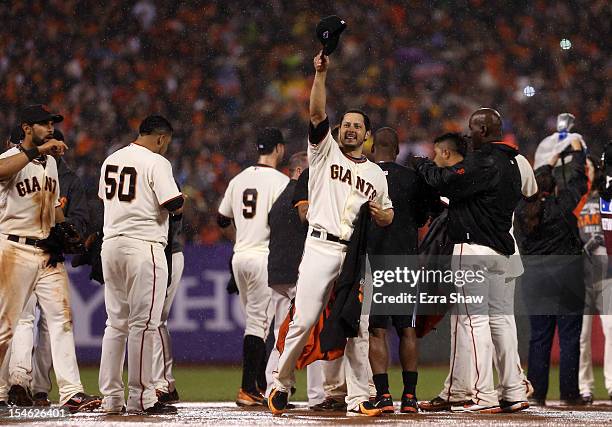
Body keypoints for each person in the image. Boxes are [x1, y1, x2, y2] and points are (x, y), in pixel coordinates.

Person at [268, 51, 393, 417]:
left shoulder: (376, 175)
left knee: (357, 325)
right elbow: (317, 113)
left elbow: (388, 214)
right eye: (346, 124)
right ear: (339, 131)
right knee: (304, 320)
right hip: (321, 247)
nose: (350, 128)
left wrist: (382, 215)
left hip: (353, 256)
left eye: (358, 125)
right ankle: (281, 383)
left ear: (368, 135)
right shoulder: (325, 155)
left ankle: (359, 397)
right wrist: (319, 75)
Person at [413, 109, 525, 413]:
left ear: (485, 129)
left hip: (473, 250)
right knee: (502, 321)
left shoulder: (483, 159)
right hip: (502, 251)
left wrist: (422, 164)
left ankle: (484, 395)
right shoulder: (514, 163)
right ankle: (513, 390)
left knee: (475, 323)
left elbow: (444, 179)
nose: (469, 134)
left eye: (474, 128)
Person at [0, 105, 100, 413]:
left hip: (47, 251)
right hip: (14, 248)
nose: (51, 127)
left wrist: (67, 232)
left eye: (53, 123)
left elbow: (55, 207)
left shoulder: (52, 165)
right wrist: (39, 150)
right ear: (27, 128)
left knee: (62, 321)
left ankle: (71, 393)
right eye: (44, 123)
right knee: (6, 327)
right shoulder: (10, 158)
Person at [98, 115, 183, 415]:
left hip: (111, 246)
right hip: (143, 246)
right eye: (166, 143)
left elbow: (106, 200)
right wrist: (183, 200)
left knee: (115, 324)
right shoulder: (156, 161)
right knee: (144, 325)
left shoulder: (112, 158)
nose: (165, 148)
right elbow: (173, 203)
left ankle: (111, 397)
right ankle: (143, 397)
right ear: (160, 138)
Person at [367, 127, 439, 414]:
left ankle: (384, 396)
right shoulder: (412, 178)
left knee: (376, 331)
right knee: (407, 330)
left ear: (373, 149)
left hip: (373, 263)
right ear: (397, 150)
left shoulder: (362, 176)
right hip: (405, 261)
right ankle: (409, 396)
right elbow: (428, 213)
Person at [217, 128, 289, 406]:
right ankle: (248, 388)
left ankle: (258, 385)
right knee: (259, 325)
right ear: (279, 149)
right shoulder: (280, 181)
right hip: (263, 257)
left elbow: (222, 219)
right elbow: (283, 223)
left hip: (240, 256)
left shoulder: (239, 179)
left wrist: (242, 238)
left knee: (257, 322)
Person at [515, 137, 587, 406]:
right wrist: (576, 154)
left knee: (539, 338)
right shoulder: (561, 205)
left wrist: (547, 162)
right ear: (556, 186)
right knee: (569, 337)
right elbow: (579, 182)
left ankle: (538, 394)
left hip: (535, 277)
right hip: (567, 273)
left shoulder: (521, 211)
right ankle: (569, 393)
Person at [264, 151, 325, 407]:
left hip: (277, 273)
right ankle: (317, 394)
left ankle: (272, 386)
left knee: (283, 333)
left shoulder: (280, 199)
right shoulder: (299, 197)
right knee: (310, 331)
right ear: (300, 171)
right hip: (294, 273)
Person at [578, 156, 612, 403]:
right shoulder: (573, 198)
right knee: (582, 336)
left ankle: (611, 384)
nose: (585, 170)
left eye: (588, 167)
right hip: (580, 276)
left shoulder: (606, 198)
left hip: (606, 273)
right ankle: (585, 387)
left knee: (611, 330)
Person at [153, 184, 184, 404]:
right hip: (149, 252)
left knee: (156, 320)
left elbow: (176, 212)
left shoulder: (163, 174)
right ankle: (159, 382)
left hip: (168, 252)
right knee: (148, 321)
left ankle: (163, 383)